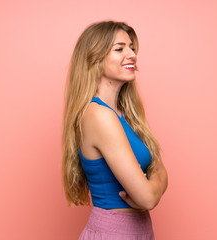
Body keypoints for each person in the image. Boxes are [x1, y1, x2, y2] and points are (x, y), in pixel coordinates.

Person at [62, 21, 168, 240]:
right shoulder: (98, 116)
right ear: (95, 58)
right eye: (119, 49)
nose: (132, 54)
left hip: (139, 231)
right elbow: (148, 198)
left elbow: (158, 169)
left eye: (131, 48)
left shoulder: (124, 115)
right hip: (114, 232)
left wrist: (153, 184)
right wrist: (155, 186)